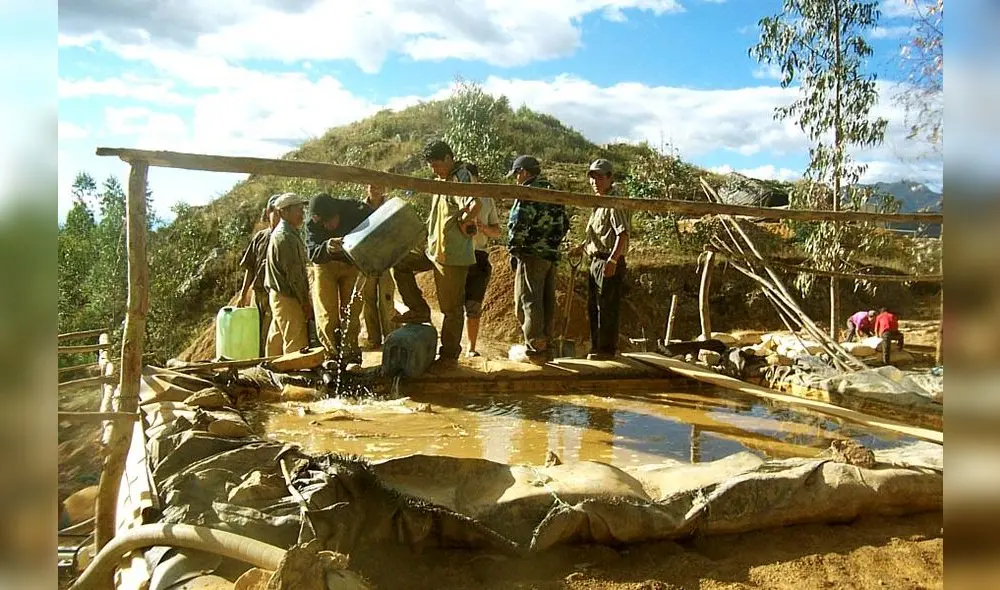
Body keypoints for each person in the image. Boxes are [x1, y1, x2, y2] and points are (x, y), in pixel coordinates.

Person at [391, 139, 481, 364]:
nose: (434, 169)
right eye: (431, 165)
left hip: (452, 255)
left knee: (450, 308)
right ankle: (419, 310)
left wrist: (464, 221)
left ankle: (449, 353)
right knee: (400, 263)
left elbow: (475, 204)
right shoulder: (440, 180)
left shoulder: (459, 177)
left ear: (449, 158)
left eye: (437, 164)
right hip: (433, 249)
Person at [506, 155, 570, 362]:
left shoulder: (528, 192)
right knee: (547, 300)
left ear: (523, 172)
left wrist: (515, 251)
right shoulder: (553, 192)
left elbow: (519, 224)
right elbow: (565, 224)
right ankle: (546, 344)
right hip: (550, 255)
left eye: (516, 174)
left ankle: (535, 346)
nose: (516, 179)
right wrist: (551, 245)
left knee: (528, 301)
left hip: (531, 254)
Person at [570, 159, 631, 361]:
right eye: (592, 177)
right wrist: (582, 246)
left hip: (608, 260)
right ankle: (597, 348)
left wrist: (612, 261)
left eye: (599, 177)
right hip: (596, 260)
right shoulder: (599, 204)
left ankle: (606, 350)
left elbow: (622, 235)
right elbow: (600, 234)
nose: (595, 181)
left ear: (609, 178)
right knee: (594, 307)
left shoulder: (615, 202)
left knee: (607, 307)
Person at [305, 192, 373, 363]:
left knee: (352, 309)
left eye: (331, 221)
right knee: (327, 312)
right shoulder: (312, 225)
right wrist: (327, 247)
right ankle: (332, 356)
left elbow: (376, 218)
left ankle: (350, 355)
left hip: (350, 264)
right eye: (324, 223)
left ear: (338, 213)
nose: (328, 226)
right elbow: (312, 252)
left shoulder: (353, 208)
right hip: (324, 266)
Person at [264, 192, 312, 355]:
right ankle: (292, 377)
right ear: (283, 212)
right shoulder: (285, 238)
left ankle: (270, 371)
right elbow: (295, 277)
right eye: (298, 210)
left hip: (279, 294)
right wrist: (305, 302)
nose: (302, 214)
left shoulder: (287, 233)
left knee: (276, 340)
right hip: (287, 296)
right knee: (296, 343)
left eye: (302, 210)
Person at [463, 163, 502, 358]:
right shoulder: (452, 195)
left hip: (479, 256)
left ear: (476, 177)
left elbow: (497, 231)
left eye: (468, 176)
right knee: (452, 307)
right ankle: (450, 350)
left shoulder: (487, 200)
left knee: (473, 306)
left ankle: (471, 348)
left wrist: (483, 228)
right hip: (456, 256)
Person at [237, 194, 281, 357]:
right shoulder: (260, 237)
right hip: (258, 294)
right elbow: (250, 267)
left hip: (275, 294)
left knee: (269, 335)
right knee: (253, 333)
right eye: (276, 212)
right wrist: (243, 294)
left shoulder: (286, 237)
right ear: (269, 212)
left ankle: (267, 366)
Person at [360, 184, 396, 349]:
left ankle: (390, 337)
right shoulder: (359, 208)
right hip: (366, 259)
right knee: (368, 299)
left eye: (378, 185)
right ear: (366, 187)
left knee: (386, 297)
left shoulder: (391, 207)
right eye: (372, 186)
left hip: (387, 258)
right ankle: (373, 339)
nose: (375, 189)